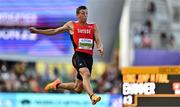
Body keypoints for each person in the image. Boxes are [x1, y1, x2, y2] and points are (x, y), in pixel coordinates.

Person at [29, 6, 103, 105]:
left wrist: (100, 47)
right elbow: (54, 31)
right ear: (77, 14)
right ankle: (92, 96)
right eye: (82, 13)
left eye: (86, 13)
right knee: (86, 74)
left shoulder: (93, 26)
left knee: (78, 88)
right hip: (78, 56)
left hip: (89, 58)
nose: (85, 15)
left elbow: (98, 40)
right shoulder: (71, 25)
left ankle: (57, 85)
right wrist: (38, 31)